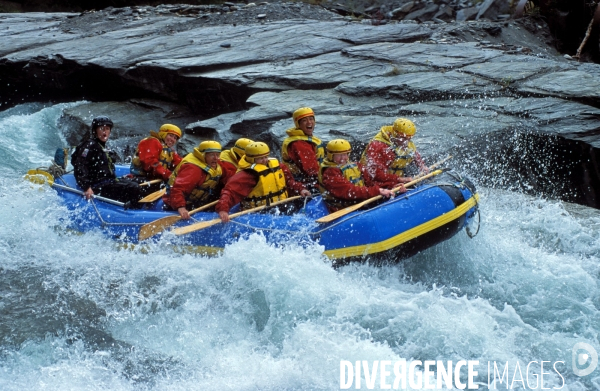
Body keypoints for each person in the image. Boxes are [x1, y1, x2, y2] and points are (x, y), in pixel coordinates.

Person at [216, 142, 311, 223]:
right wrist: (223, 209)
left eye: (266, 157)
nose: (265, 160)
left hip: (280, 204)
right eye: (260, 158)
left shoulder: (278, 166)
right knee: (283, 212)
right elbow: (229, 192)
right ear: (251, 159)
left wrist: (300, 189)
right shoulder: (247, 174)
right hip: (259, 212)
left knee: (292, 207)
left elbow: (290, 181)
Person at [72, 116, 143, 205]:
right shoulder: (89, 146)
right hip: (98, 186)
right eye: (102, 129)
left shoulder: (103, 146)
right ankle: (133, 212)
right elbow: (80, 166)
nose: (105, 132)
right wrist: (86, 187)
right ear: (95, 131)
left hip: (108, 182)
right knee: (134, 188)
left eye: (107, 129)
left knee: (140, 182)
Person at [319, 139, 406, 213]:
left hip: (360, 200)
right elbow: (349, 192)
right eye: (339, 155)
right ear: (330, 155)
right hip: (344, 207)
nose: (343, 158)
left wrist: (390, 187)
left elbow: (370, 184)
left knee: (391, 194)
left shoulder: (356, 165)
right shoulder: (330, 173)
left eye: (345, 154)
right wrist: (378, 191)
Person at [163, 140, 232, 219]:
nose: (216, 158)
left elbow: (230, 181)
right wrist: (180, 207)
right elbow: (177, 188)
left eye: (218, 154)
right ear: (203, 155)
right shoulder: (193, 169)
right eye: (212, 155)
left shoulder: (217, 165)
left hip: (199, 201)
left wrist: (223, 207)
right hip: (178, 202)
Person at [361, 118, 427, 184]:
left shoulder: (404, 138)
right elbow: (375, 174)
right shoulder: (378, 146)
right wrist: (400, 179)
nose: (406, 143)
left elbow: (413, 152)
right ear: (395, 134)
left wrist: (422, 166)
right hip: (374, 182)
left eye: (409, 139)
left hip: (394, 179)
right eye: (403, 138)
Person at [280, 107, 325, 193]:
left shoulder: (306, 138)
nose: (309, 122)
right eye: (304, 120)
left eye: (311, 119)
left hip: (312, 179)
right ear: (298, 124)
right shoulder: (299, 144)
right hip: (304, 185)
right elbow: (311, 171)